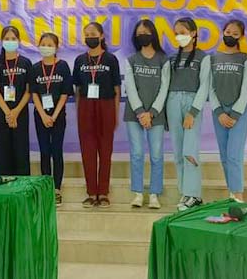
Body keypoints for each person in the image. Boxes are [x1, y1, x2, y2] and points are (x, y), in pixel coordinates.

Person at [73, 22, 121, 209]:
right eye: (86, 35)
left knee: (105, 152)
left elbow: (116, 89)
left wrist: (115, 114)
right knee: (88, 151)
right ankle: (91, 192)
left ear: (101, 36)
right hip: (86, 106)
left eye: (93, 34)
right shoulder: (80, 60)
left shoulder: (110, 59)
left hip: (106, 105)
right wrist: (79, 112)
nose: (89, 38)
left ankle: (104, 192)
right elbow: (77, 90)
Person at [123, 19, 170, 210]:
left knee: (157, 155)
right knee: (136, 154)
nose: (143, 36)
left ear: (153, 34)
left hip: (156, 115)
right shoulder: (131, 60)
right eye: (139, 33)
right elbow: (130, 87)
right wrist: (141, 112)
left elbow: (164, 88)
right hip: (134, 114)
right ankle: (137, 193)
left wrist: (152, 113)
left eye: (146, 32)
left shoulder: (163, 60)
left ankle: (154, 194)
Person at [166, 17, 210, 211]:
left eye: (183, 32)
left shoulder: (203, 57)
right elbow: (165, 85)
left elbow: (204, 86)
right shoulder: (171, 59)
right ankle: (184, 191)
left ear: (193, 33)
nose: (179, 36)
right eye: (176, 33)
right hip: (173, 101)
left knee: (189, 150)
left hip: (192, 102)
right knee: (177, 151)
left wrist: (193, 112)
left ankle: (194, 194)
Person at [209, 20, 247, 204]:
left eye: (235, 34)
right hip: (219, 113)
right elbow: (210, 88)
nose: (230, 36)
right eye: (228, 32)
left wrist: (235, 114)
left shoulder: (245, 59)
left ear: (241, 37)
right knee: (224, 155)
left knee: (234, 155)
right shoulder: (213, 58)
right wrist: (219, 111)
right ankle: (232, 193)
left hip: (239, 113)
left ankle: (238, 195)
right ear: (223, 32)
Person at [31, 33, 73, 207]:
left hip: (58, 116)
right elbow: (34, 94)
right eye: (43, 44)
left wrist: (54, 116)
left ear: (56, 47)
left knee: (56, 151)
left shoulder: (62, 66)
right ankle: (46, 187)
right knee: (44, 152)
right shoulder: (35, 68)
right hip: (40, 115)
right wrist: (43, 115)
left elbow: (65, 93)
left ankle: (56, 189)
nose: (46, 47)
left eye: (50, 44)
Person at [0, 26, 32, 175]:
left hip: (20, 113)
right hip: (2, 114)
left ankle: (23, 186)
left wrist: (15, 112)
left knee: (21, 151)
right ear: (2, 41)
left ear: (19, 40)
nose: (10, 41)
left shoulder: (25, 63)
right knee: (3, 152)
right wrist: (8, 113)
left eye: (13, 39)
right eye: (7, 39)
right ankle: (3, 185)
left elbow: (28, 91)